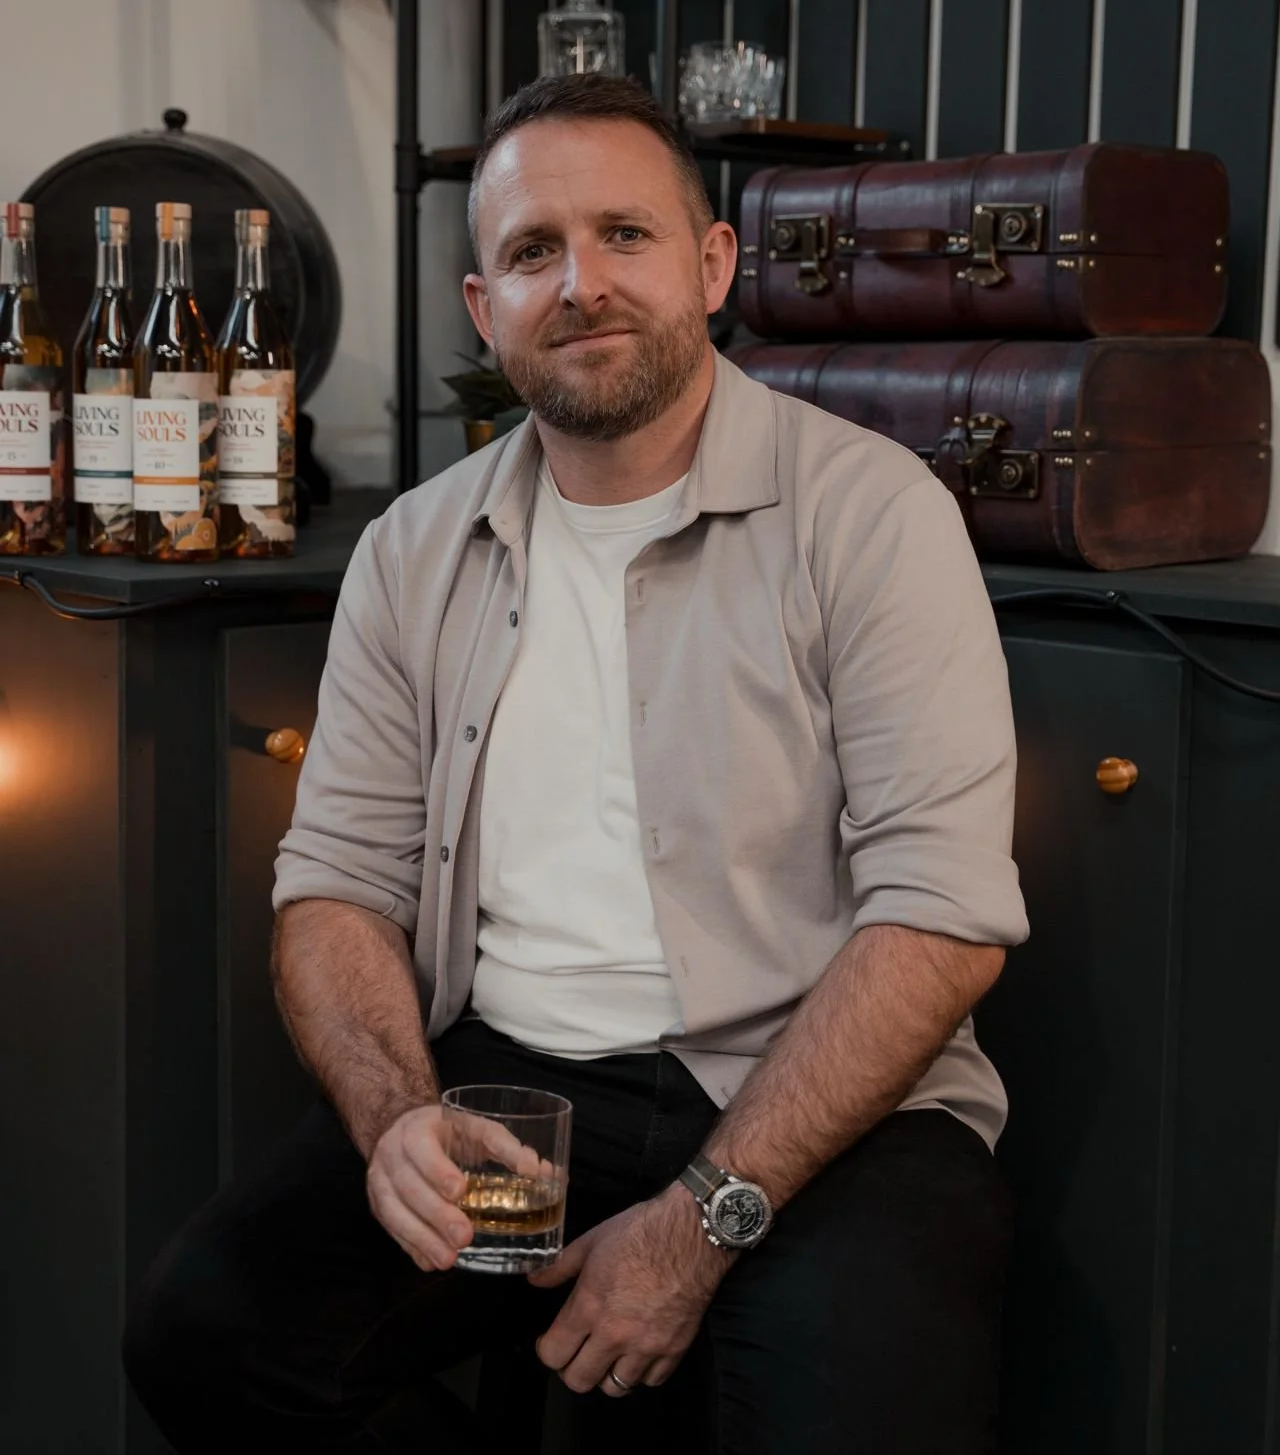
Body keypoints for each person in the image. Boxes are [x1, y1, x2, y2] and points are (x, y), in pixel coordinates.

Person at [122, 74, 1029, 1455]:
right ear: (487, 309)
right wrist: (395, 1123)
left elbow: (942, 917)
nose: (581, 283)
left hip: (831, 1092)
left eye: (626, 235)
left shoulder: (871, 514)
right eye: (534, 251)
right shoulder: (411, 553)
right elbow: (333, 887)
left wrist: (702, 1220)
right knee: (208, 1339)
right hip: (510, 1086)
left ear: (711, 265)